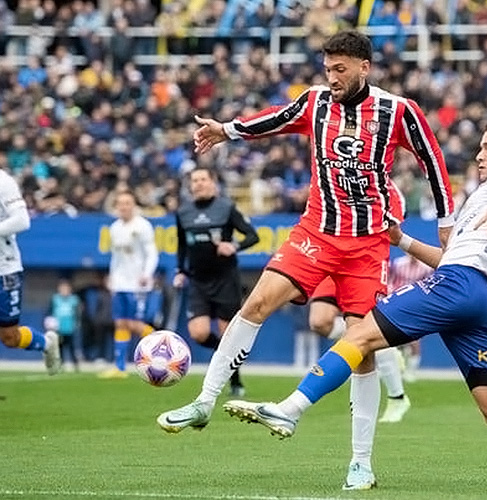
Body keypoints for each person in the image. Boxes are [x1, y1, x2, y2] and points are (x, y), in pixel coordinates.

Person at [222, 118, 487, 495]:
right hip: (483, 300)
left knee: (359, 333)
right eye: (479, 149)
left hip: (462, 285)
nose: (480, 155)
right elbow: (453, 256)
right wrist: (402, 241)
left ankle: (290, 409)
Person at [157, 30, 455, 492]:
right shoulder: (315, 103)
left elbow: (434, 164)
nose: (332, 77)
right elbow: (271, 121)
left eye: (341, 69)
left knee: (362, 349)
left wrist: (445, 224)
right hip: (315, 232)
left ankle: (360, 463)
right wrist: (227, 130)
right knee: (254, 305)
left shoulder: (399, 111)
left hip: (367, 245)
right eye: (327, 68)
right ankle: (204, 401)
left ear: (364, 67)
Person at [306, 178, 411, 424]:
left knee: (364, 331)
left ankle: (397, 397)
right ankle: (383, 344)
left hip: (363, 261)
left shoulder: (383, 184)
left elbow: (396, 219)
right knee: (319, 321)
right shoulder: (329, 173)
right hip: (330, 254)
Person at [173, 166, 259, 397]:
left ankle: (236, 381)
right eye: (195, 180)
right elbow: (182, 245)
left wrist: (235, 246)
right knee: (199, 333)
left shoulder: (226, 208)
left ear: (213, 182)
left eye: (203, 179)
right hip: (198, 281)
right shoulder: (183, 212)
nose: (199, 183)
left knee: (227, 334)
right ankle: (224, 355)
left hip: (225, 280)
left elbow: (253, 235)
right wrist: (180, 270)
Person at [0, 168, 60, 374]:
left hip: (4, 269)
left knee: (9, 337)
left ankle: (45, 343)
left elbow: (22, 220)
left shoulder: (3, 182)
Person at [99, 190, 159, 378]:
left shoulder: (143, 226)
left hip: (138, 283)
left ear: (133, 205)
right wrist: (112, 277)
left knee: (134, 324)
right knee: (120, 323)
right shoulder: (115, 227)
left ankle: (164, 348)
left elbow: (152, 253)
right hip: (120, 282)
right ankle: (119, 367)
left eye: (127, 203)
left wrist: (147, 274)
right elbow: (115, 257)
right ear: (116, 207)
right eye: (120, 203)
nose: (124, 207)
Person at [386, 253, 434, 383]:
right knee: (390, 338)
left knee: (414, 340)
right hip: (397, 303)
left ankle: (411, 371)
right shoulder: (398, 264)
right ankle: (394, 368)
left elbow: (429, 285)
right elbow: (389, 281)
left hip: (416, 306)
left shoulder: (425, 268)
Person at [48, 278, 81, 372]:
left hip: (70, 327)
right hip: (58, 328)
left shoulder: (74, 299)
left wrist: (77, 323)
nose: (64, 290)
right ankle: (60, 365)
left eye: (66, 288)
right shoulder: (55, 299)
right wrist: (50, 323)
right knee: (59, 348)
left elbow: (77, 313)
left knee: (72, 347)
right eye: (62, 288)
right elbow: (49, 312)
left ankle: (76, 366)